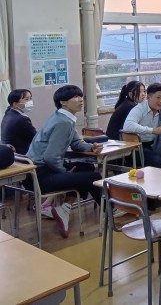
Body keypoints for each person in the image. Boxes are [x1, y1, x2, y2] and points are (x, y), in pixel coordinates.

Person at [26, 85, 103, 238]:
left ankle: (64, 208)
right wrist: (64, 171)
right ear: (63, 102)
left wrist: (91, 147)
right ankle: (109, 210)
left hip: (37, 171)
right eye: (75, 97)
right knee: (94, 178)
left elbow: (76, 142)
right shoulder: (63, 122)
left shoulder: (62, 117)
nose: (80, 100)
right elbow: (50, 157)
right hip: (40, 176)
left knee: (85, 167)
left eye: (81, 96)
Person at [1, 88, 37, 154]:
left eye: (30, 98)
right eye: (26, 99)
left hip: (9, 152)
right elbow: (35, 137)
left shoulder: (9, 113)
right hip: (20, 154)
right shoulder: (21, 119)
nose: (30, 102)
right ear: (15, 104)